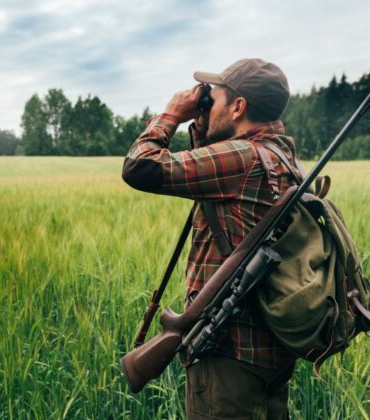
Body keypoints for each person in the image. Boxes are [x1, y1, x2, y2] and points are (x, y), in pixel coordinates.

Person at [121, 58, 301, 420]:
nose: (205, 104)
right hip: (272, 352)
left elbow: (139, 166)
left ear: (238, 107)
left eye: (213, 98)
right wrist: (206, 126)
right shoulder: (283, 157)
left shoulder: (241, 158)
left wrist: (171, 114)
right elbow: (211, 178)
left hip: (227, 357)